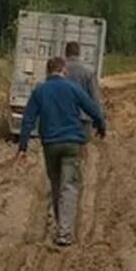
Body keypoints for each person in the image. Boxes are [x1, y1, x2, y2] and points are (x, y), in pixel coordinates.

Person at [17, 56, 107, 247]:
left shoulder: (39, 90)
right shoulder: (72, 88)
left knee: (56, 185)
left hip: (50, 144)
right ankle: (64, 233)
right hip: (71, 144)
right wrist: (101, 126)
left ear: (47, 71)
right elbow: (93, 108)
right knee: (70, 186)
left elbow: (28, 119)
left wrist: (23, 147)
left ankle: (61, 226)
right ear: (62, 70)